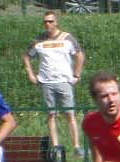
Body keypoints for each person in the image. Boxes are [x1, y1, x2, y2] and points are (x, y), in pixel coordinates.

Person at [22, 11, 85, 152]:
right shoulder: (39, 41)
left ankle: (76, 146)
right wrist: (31, 74)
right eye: (45, 21)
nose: (48, 24)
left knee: (70, 114)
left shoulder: (67, 38)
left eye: (50, 21)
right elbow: (27, 57)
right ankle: (56, 146)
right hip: (46, 82)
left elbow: (80, 55)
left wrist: (77, 75)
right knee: (51, 115)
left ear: (56, 22)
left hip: (64, 81)